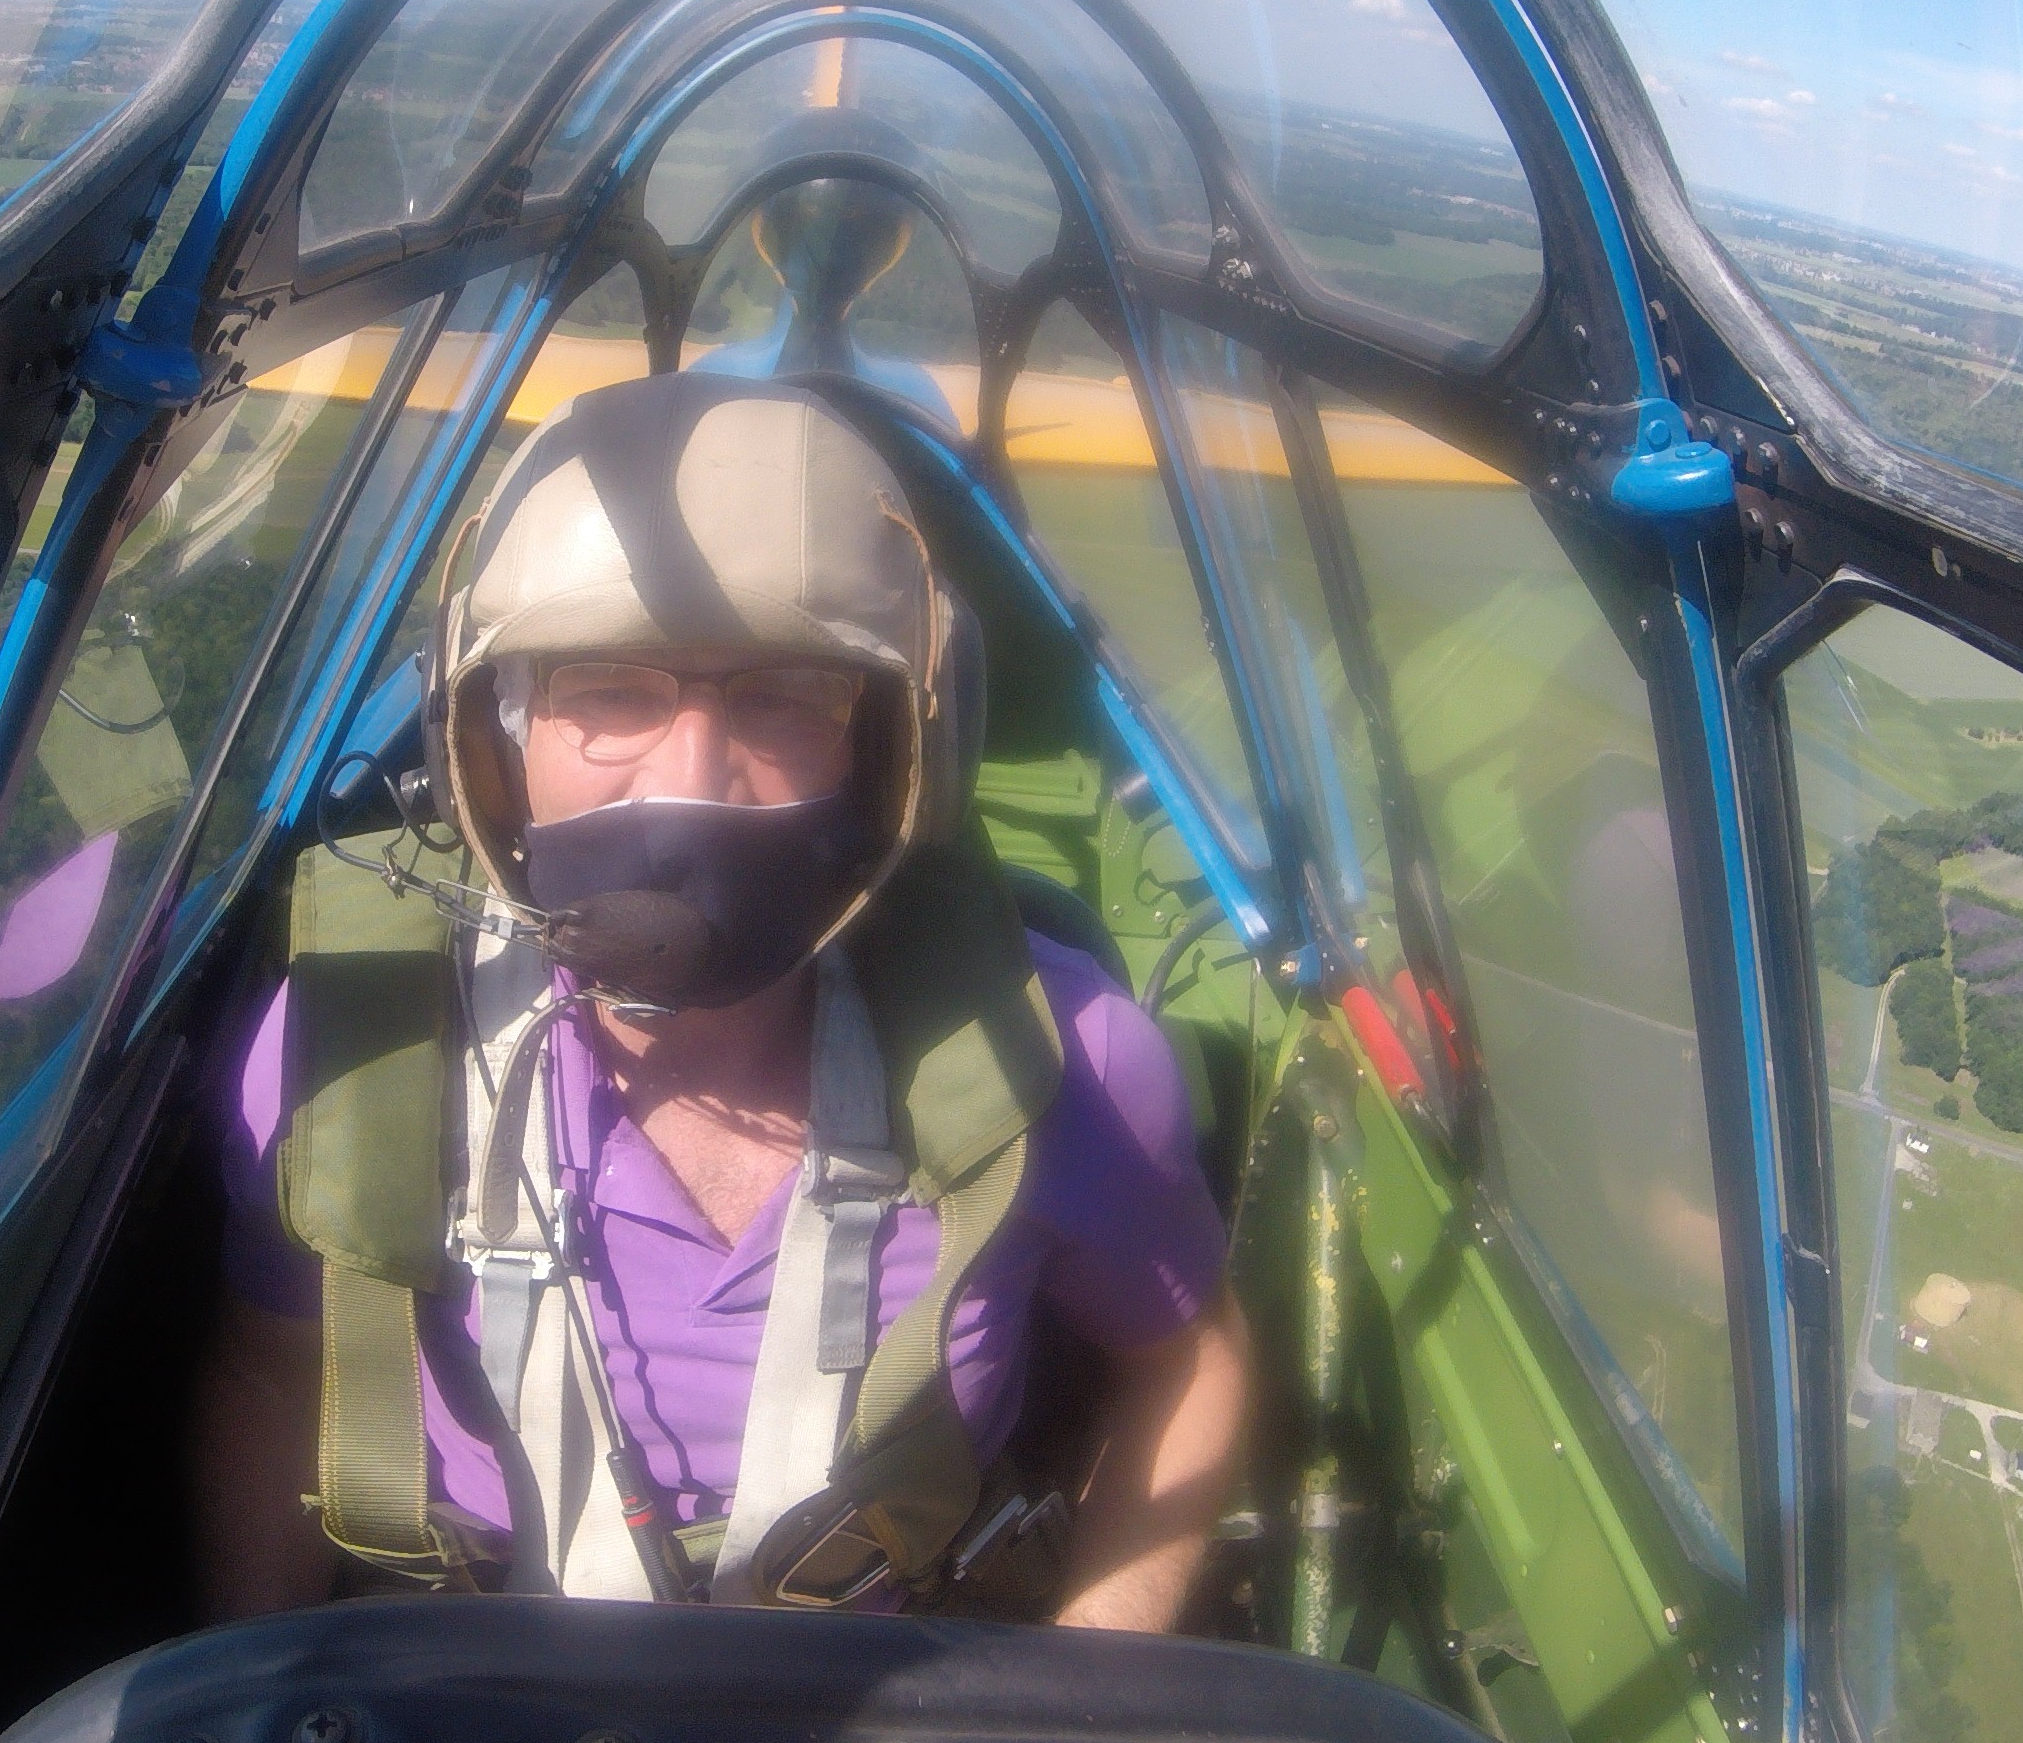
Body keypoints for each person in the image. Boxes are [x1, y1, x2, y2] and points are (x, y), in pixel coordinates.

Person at [196, 370, 1247, 1629]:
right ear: (490, 743)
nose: (694, 780)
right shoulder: (346, 1049)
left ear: (892, 754)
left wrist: (1091, 1693)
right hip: (474, 1663)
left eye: (785, 698)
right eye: (606, 692)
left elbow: (1188, 1363)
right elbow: (276, 1377)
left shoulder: (1060, 1057)